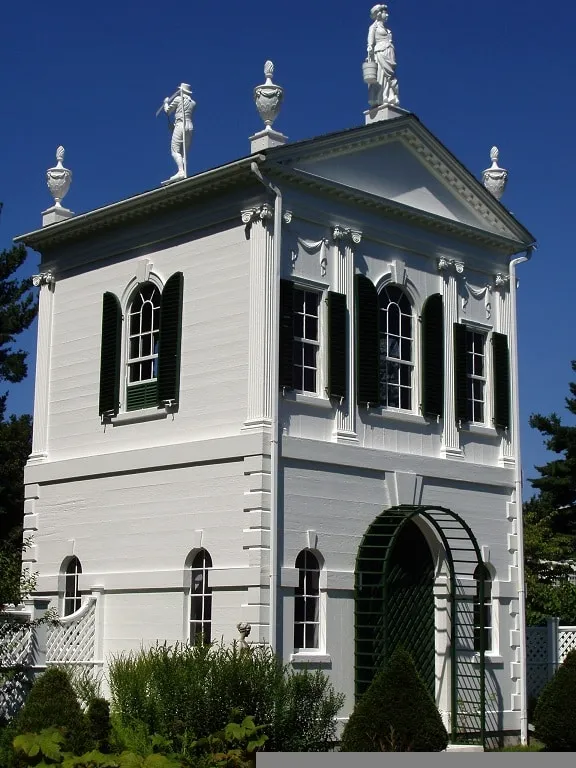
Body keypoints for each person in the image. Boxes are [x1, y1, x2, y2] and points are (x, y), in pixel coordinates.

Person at [367, 4, 399, 108]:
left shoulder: (388, 30)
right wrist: (370, 49)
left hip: (389, 53)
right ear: (379, 14)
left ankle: (391, 97)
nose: (387, 15)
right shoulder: (374, 27)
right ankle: (381, 98)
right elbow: (370, 43)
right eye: (385, 12)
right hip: (380, 53)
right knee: (381, 76)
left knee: (390, 76)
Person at [163, 84, 196, 181]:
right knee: (183, 153)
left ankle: (181, 171)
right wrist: (173, 128)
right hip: (189, 126)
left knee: (175, 151)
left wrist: (165, 103)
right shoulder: (193, 103)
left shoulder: (178, 99)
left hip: (180, 125)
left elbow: (168, 111)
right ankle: (183, 171)